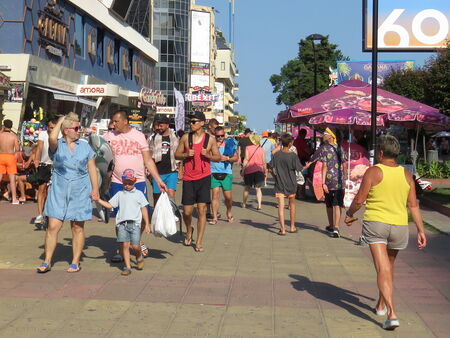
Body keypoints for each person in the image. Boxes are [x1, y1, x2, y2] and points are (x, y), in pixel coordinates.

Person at [345, 135, 427, 330]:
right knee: (388, 269)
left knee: (382, 270)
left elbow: (359, 199)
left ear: (380, 153)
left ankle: (392, 313)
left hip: (376, 224)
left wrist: (349, 214)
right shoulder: (406, 175)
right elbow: (413, 205)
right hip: (399, 226)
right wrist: (421, 230)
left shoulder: (374, 171)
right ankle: (381, 305)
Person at [36, 113, 99, 273]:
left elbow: (91, 167)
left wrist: (95, 189)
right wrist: (61, 121)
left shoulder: (85, 146)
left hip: (80, 189)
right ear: (66, 130)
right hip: (59, 190)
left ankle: (75, 261)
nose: (79, 131)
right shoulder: (57, 145)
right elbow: (51, 138)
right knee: (53, 225)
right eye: (76, 128)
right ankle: (47, 260)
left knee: (77, 226)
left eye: (79, 128)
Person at [105, 110, 167, 262]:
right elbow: (101, 159)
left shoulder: (138, 136)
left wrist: (158, 180)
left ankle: (136, 240)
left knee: (141, 216)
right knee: (120, 217)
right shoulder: (109, 137)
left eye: (116, 121)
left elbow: (148, 160)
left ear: (125, 121)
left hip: (137, 181)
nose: (114, 124)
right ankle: (121, 249)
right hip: (117, 181)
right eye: (112, 121)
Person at [175, 111, 221, 252]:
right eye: (190, 121)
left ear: (202, 123)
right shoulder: (185, 137)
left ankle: (199, 241)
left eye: (194, 121)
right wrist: (185, 154)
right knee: (187, 212)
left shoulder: (210, 139)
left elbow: (218, 157)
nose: (191, 124)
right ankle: (189, 230)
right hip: (189, 178)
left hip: (204, 177)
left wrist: (207, 155)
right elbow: (176, 154)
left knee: (202, 210)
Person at [97, 169, 150, 276]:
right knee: (125, 246)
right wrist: (98, 200)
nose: (127, 185)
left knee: (135, 246)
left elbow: (144, 209)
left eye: (130, 183)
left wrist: (147, 224)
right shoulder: (120, 194)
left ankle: (139, 257)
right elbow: (110, 205)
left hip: (135, 224)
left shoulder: (139, 194)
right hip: (122, 224)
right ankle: (127, 266)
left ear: (134, 182)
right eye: (125, 183)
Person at [307, 128, 345, 238]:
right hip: (339, 181)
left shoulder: (325, 149)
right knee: (338, 204)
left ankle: (332, 225)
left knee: (329, 204)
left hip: (329, 181)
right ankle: (337, 227)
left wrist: (323, 183)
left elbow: (324, 166)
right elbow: (345, 164)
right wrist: (344, 179)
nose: (324, 135)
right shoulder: (340, 148)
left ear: (331, 136)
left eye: (326, 133)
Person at [270, 133, 302, 235]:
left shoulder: (276, 155)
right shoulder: (293, 156)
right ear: (290, 143)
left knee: (281, 206)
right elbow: (299, 168)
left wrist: (275, 177)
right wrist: (308, 165)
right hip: (291, 184)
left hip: (280, 184)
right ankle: (292, 227)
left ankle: (283, 229)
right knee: (292, 205)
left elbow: (270, 167)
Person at [209, 126, 239, 224]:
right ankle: (214, 217)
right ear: (215, 136)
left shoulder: (229, 144)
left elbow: (236, 158)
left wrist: (227, 159)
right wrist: (214, 158)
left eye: (222, 135)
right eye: (218, 136)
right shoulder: (211, 145)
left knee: (228, 198)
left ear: (224, 135)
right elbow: (207, 156)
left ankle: (229, 211)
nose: (220, 138)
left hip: (226, 173)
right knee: (215, 195)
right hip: (214, 172)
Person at [148, 115, 179, 204]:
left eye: (161, 125)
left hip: (172, 170)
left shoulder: (174, 137)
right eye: (158, 125)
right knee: (157, 196)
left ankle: (172, 213)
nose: (159, 127)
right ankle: (157, 215)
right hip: (158, 171)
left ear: (167, 125)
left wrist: (180, 170)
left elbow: (178, 154)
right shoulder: (154, 137)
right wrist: (149, 169)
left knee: (171, 193)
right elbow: (150, 154)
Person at [33, 118, 58, 224]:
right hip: (44, 164)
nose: (51, 129)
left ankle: (51, 212)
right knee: (41, 189)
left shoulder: (60, 134)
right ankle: (40, 214)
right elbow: (39, 147)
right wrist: (37, 159)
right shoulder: (43, 134)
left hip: (56, 165)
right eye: (49, 127)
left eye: (53, 127)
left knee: (53, 191)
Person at [242, 133, 266, 210]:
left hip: (249, 169)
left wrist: (243, 170)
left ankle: (244, 204)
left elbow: (246, 159)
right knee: (258, 188)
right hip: (259, 169)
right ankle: (259, 205)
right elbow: (264, 161)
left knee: (247, 188)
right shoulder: (261, 149)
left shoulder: (248, 148)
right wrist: (265, 171)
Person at [0, 119, 20, 204]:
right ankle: (14, 199)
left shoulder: (0, 135)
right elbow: (17, 149)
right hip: (10, 157)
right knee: (12, 179)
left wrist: (2, 129)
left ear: (4, 126)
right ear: (11, 126)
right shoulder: (13, 136)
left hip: (1, 156)